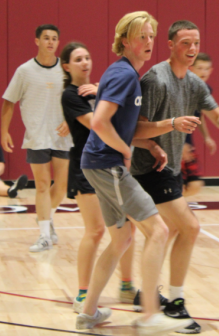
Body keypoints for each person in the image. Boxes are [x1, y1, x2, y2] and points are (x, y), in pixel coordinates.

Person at [75, 12, 193, 334]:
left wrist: (146, 144)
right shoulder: (124, 74)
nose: (148, 43)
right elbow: (99, 122)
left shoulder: (125, 74)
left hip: (99, 164)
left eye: (151, 36)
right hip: (107, 164)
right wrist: (126, 151)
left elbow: (119, 126)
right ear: (125, 40)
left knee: (122, 238)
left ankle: (88, 313)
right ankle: (150, 314)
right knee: (158, 230)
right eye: (142, 36)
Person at [130, 20, 219, 334]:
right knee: (189, 228)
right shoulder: (156, 80)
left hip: (171, 170)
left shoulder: (195, 84)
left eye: (196, 43)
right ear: (170, 44)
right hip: (148, 168)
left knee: (170, 232)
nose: (192, 49)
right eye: (185, 43)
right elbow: (134, 130)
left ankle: (146, 293)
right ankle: (176, 303)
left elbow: (218, 119)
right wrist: (171, 123)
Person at [59, 41, 165, 313]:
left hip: (106, 164)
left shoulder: (103, 87)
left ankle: (123, 287)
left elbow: (120, 125)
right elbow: (101, 123)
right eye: (78, 59)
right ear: (67, 66)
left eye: (87, 57)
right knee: (95, 231)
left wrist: (103, 92)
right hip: (93, 166)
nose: (85, 62)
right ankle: (84, 294)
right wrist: (111, 96)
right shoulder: (72, 95)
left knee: (124, 232)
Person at [1, 24, 72, 252]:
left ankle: (45, 217)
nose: (50, 42)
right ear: (37, 41)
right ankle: (43, 235)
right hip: (37, 136)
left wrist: (70, 121)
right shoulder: (25, 71)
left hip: (62, 137)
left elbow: (78, 99)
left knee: (60, 188)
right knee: (42, 185)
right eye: (46, 38)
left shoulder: (67, 69)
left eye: (54, 38)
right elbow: (9, 102)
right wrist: (4, 131)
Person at [181, 52, 217, 197]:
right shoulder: (184, 88)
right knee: (177, 187)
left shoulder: (206, 89)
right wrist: (181, 143)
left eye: (206, 68)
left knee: (195, 185)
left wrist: (207, 137)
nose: (203, 72)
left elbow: (200, 114)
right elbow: (174, 117)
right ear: (191, 68)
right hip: (173, 143)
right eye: (200, 68)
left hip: (188, 143)